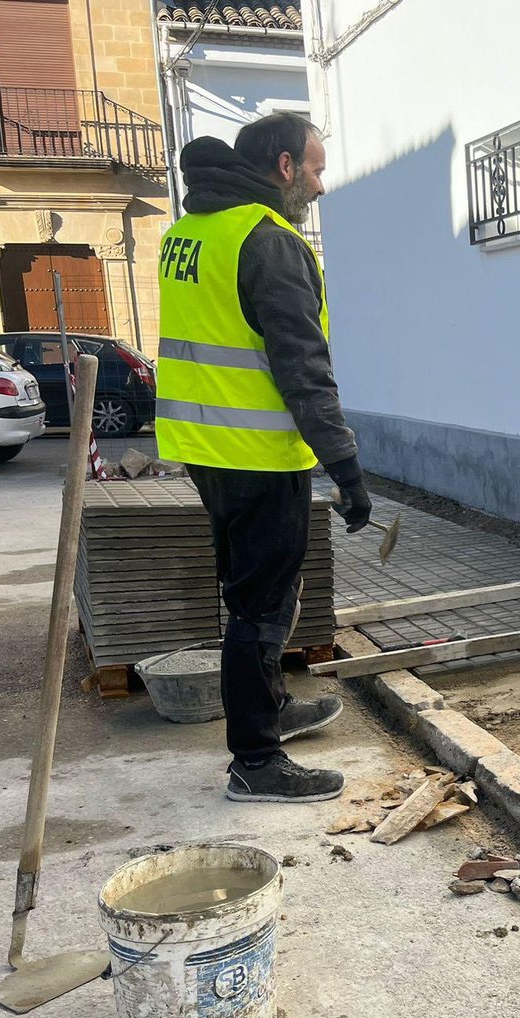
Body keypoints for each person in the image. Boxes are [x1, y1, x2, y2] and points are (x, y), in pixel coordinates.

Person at [155, 113, 372, 803]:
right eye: (314, 167)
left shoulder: (188, 233)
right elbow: (303, 367)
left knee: (251, 595)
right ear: (283, 166)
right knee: (262, 607)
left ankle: (270, 709)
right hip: (258, 455)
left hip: (205, 448)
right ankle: (255, 761)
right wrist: (347, 467)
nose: (319, 182)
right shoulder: (268, 242)